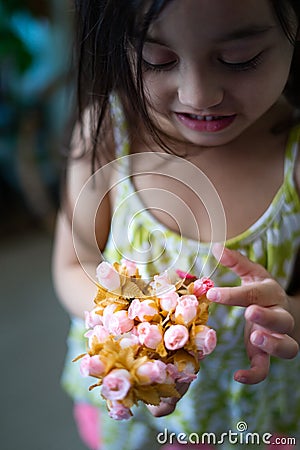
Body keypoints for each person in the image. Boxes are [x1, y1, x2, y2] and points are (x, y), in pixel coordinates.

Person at [52, 1, 300, 449]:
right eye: (156, 59)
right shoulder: (108, 133)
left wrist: (288, 317)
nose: (198, 94)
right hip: (133, 422)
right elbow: (74, 264)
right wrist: (131, 330)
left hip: (245, 417)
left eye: (239, 58)